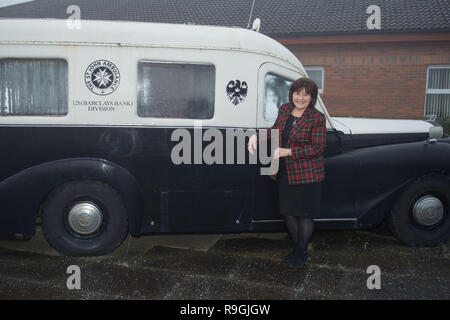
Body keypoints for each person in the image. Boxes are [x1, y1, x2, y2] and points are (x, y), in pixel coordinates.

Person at [248, 77, 326, 268]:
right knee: (288, 213)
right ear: (292, 93)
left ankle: (301, 252)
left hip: (308, 174)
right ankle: (297, 248)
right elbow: (276, 131)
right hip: (285, 172)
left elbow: (318, 148)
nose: (300, 98)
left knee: (305, 215)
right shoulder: (284, 109)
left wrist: (288, 151)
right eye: (297, 93)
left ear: (312, 97)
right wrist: (256, 136)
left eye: (306, 94)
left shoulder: (316, 117)